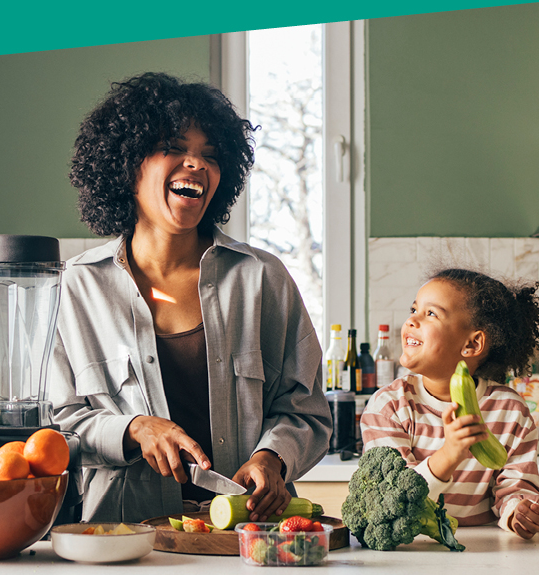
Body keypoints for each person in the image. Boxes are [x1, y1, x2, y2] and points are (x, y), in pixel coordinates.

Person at [48, 72, 332, 523]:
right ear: (128, 166)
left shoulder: (262, 279)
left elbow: (307, 410)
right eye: (175, 148)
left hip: (249, 538)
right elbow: (55, 425)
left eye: (210, 155)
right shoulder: (75, 288)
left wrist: (273, 458)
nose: (196, 165)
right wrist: (132, 429)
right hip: (125, 542)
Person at [361, 268, 539, 539]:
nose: (412, 320)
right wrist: (450, 454)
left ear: (472, 344)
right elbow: (391, 500)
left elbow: (516, 485)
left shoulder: (511, 411)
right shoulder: (388, 406)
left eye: (431, 314)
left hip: (484, 552)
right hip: (412, 548)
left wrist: (520, 509)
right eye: (414, 309)